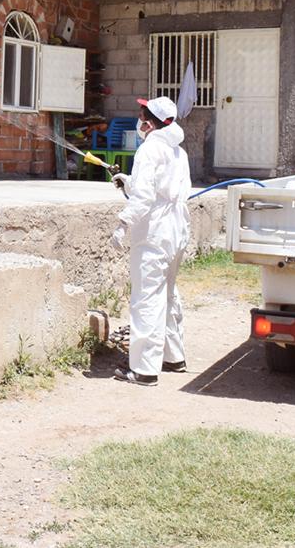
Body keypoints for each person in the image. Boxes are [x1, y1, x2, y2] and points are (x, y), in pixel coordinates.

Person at [108, 96, 191, 385]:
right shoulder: (178, 152)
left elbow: (144, 198)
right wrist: (128, 182)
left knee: (146, 298)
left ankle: (143, 370)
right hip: (177, 229)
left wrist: (122, 224)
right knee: (167, 294)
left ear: (149, 123)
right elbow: (161, 190)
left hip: (154, 232)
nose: (138, 121)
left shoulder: (148, 150)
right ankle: (173, 356)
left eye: (141, 116)